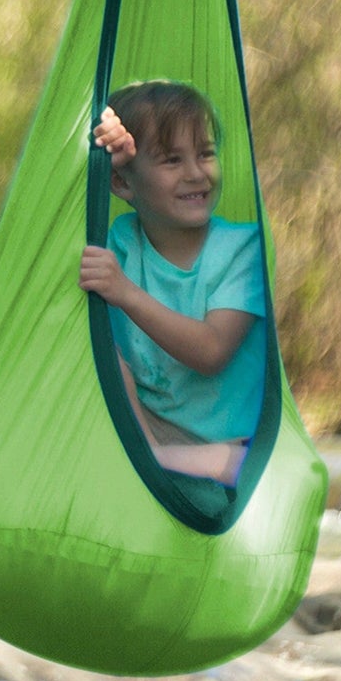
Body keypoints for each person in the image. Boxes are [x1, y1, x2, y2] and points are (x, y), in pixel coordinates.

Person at [78, 80, 265, 485]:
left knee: (255, 471)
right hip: (148, 431)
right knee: (98, 349)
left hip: (232, 442)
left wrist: (125, 293)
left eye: (206, 154)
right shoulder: (119, 244)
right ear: (123, 184)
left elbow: (212, 351)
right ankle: (152, 457)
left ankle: (155, 461)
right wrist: (97, 149)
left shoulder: (243, 248)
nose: (196, 173)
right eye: (171, 160)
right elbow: (54, 218)